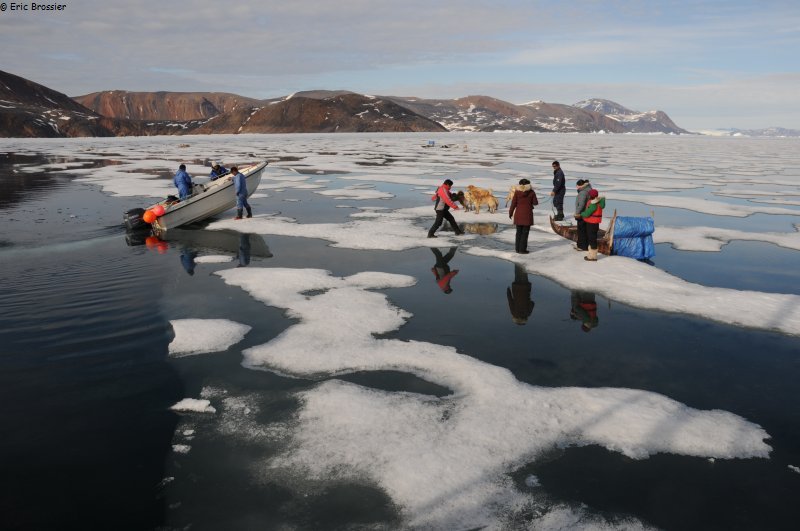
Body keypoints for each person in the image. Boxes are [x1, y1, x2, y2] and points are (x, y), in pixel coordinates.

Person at [508, 178, 538, 254]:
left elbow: (513, 204)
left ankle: (517, 249)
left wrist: (510, 213)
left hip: (518, 215)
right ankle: (522, 250)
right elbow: (535, 203)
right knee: (525, 233)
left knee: (518, 233)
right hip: (527, 215)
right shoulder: (531, 192)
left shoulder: (517, 192)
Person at [580, 188, 605, 261]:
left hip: (591, 223)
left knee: (592, 239)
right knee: (592, 238)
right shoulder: (599, 202)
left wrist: (581, 214)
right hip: (595, 223)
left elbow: (587, 213)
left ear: (591, 196)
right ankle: (591, 254)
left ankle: (593, 256)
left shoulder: (593, 203)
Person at [573, 179, 593, 251]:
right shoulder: (589, 189)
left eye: (577, 186)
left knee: (581, 230)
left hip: (582, 214)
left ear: (580, 186)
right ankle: (585, 245)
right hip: (588, 213)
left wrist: (577, 213)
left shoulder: (583, 192)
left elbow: (581, 204)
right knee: (585, 230)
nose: (577, 187)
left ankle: (582, 246)